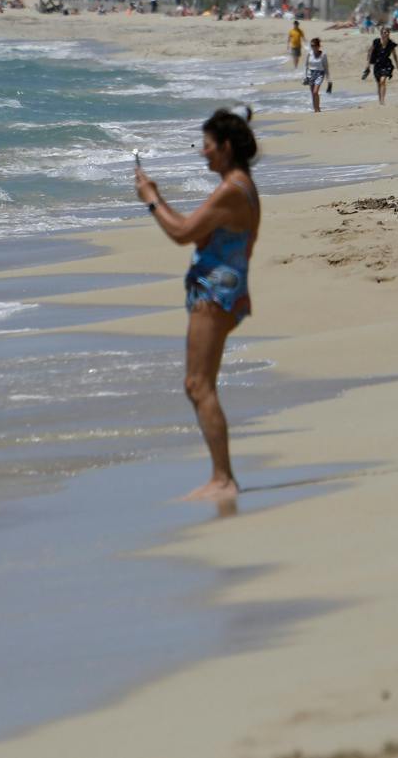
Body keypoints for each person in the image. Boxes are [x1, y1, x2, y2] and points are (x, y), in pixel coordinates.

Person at [132, 108, 261, 504]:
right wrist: (156, 196)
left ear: (225, 147)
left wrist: (151, 198)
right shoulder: (238, 185)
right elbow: (192, 230)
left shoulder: (233, 189)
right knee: (198, 384)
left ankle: (223, 478)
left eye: (207, 147)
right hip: (218, 291)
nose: (202, 154)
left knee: (198, 384)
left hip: (216, 294)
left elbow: (182, 232)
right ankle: (221, 475)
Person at [365, 26, 398, 105]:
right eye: (385, 32)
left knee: (383, 81)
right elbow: (370, 52)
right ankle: (380, 101)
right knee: (378, 83)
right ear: (381, 34)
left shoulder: (391, 44)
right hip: (377, 64)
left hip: (386, 64)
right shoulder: (376, 42)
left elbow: (394, 55)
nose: (387, 34)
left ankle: (383, 101)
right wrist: (367, 65)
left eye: (388, 32)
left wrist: (397, 65)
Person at [303, 37, 331, 113]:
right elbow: (306, 66)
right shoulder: (309, 54)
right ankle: (316, 109)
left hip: (320, 74)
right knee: (313, 93)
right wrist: (305, 77)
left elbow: (326, 67)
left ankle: (318, 108)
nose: (313, 47)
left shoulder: (323, 55)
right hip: (311, 74)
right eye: (311, 45)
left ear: (318, 46)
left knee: (315, 92)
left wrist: (329, 80)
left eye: (314, 45)